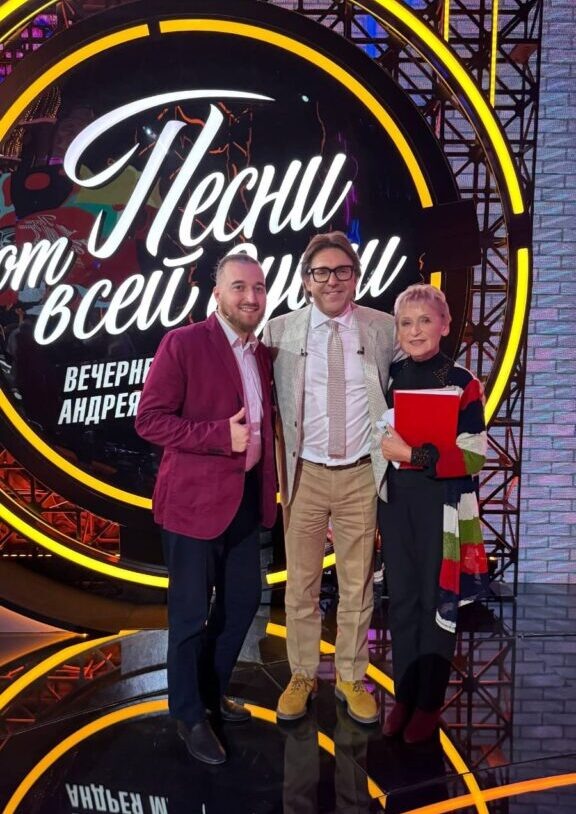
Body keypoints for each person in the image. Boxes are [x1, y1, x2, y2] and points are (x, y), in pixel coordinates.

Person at [135, 253, 276, 765]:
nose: (251, 297)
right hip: (192, 506)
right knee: (190, 615)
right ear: (217, 293)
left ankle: (211, 693)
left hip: (245, 502)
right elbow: (149, 420)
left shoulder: (262, 354)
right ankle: (189, 714)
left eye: (258, 288)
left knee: (241, 605)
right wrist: (220, 436)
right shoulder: (184, 343)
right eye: (239, 287)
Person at [263, 231, 397, 725]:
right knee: (300, 585)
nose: (333, 280)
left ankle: (350, 676)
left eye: (343, 271)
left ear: (355, 277)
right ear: (306, 281)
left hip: (361, 473)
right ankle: (302, 674)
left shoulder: (383, 328)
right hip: (305, 475)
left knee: (357, 585)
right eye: (322, 272)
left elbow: (414, 379)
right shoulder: (279, 332)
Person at [378, 283, 489, 744]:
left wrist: (413, 454)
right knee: (401, 602)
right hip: (396, 505)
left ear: (444, 325)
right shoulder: (390, 375)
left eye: (425, 320)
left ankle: (428, 703)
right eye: (406, 322)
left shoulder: (462, 382)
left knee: (434, 603)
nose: (415, 330)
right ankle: (404, 697)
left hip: (441, 507)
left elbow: (474, 456)